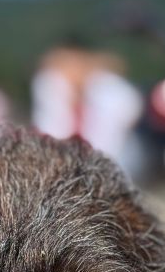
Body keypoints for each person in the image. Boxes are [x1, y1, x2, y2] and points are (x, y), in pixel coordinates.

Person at [31, 35, 143, 171]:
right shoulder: (50, 85)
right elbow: (51, 129)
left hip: (117, 165)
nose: (71, 70)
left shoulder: (111, 88)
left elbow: (128, 112)